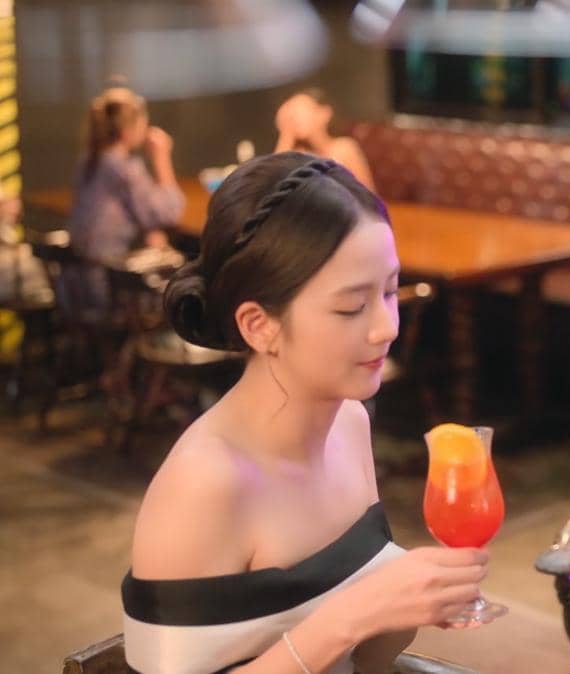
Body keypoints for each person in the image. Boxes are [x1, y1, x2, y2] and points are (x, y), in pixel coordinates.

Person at [124, 152, 487, 674]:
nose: (386, 326)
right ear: (259, 325)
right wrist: (355, 615)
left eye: (390, 291)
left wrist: (412, 599)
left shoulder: (350, 422)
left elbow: (368, 659)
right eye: (351, 307)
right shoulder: (203, 485)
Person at [67, 86, 182, 319]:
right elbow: (168, 212)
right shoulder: (122, 168)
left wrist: (151, 231)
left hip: (76, 285)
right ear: (128, 130)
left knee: (157, 240)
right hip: (109, 289)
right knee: (185, 269)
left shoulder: (89, 162)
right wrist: (162, 156)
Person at [274, 89, 375, 192]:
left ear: (325, 113)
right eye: (292, 114)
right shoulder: (299, 156)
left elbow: (369, 194)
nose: (296, 119)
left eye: (302, 111)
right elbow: (275, 191)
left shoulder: (343, 148)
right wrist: (286, 134)